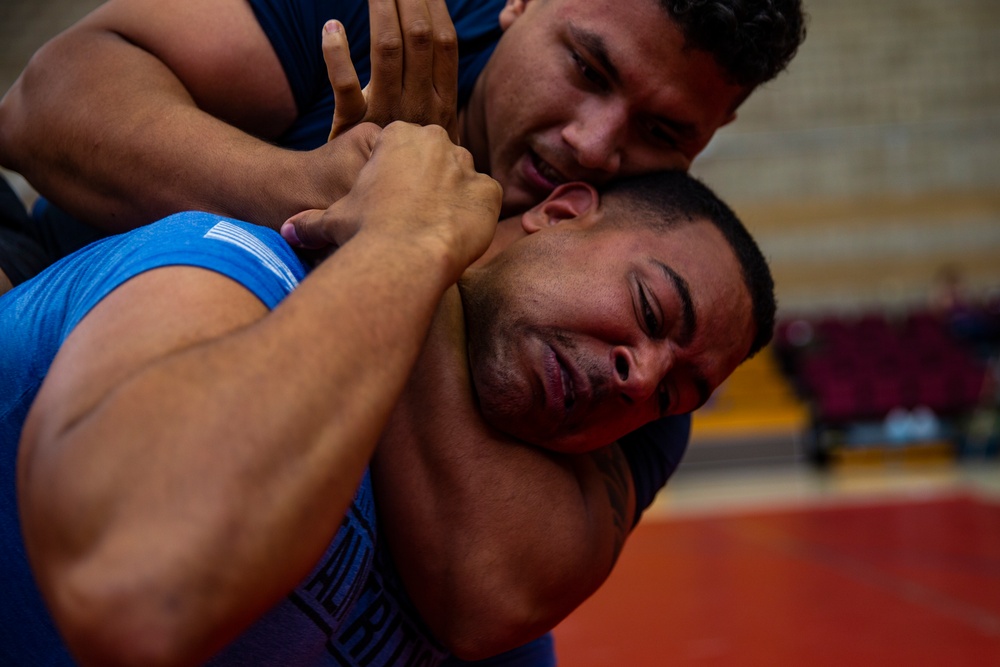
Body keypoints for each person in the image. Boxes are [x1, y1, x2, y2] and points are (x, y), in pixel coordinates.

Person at [1, 123, 775, 665]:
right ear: (558, 211)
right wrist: (411, 239)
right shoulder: (236, 272)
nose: (639, 378)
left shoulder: (465, 544)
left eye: (674, 395)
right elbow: (138, 582)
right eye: (649, 310)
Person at [0, 0, 806, 284]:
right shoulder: (394, 14)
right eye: (587, 67)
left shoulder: (648, 258)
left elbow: (492, 589)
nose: (595, 145)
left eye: (664, 131)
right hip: (46, 275)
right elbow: (38, 107)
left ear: (715, 134)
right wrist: (319, 188)